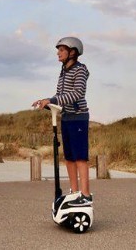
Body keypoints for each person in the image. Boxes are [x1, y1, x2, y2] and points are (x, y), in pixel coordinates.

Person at [32, 37, 92, 205]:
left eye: (61, 50)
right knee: (69, 157)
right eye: (58, 50)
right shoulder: (63, 71)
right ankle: (74, 192)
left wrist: (52, 99)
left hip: (79, 117)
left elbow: (77, 93)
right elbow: (60, 96)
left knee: (80, 157)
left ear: (72, 52)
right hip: (66, 117)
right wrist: (46, 102)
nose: (58, 53)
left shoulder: (80, 70)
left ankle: (85, 195)